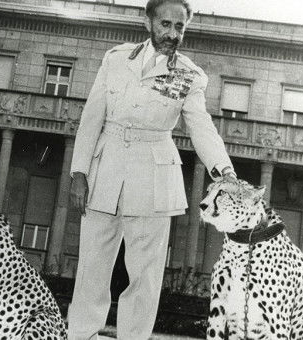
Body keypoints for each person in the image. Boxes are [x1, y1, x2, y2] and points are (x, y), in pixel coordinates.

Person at [68, 0, 236, 339]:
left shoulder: (189, 75)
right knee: (91, 273)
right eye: (165, 24)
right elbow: (92, 117)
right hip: (105, 172)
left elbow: (200, 125)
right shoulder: (115, 59)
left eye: (179, 27)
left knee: (144, 279)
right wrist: (79, 173)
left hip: (154, 181)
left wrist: (225, 172)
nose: (172, 34)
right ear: (148, 22)